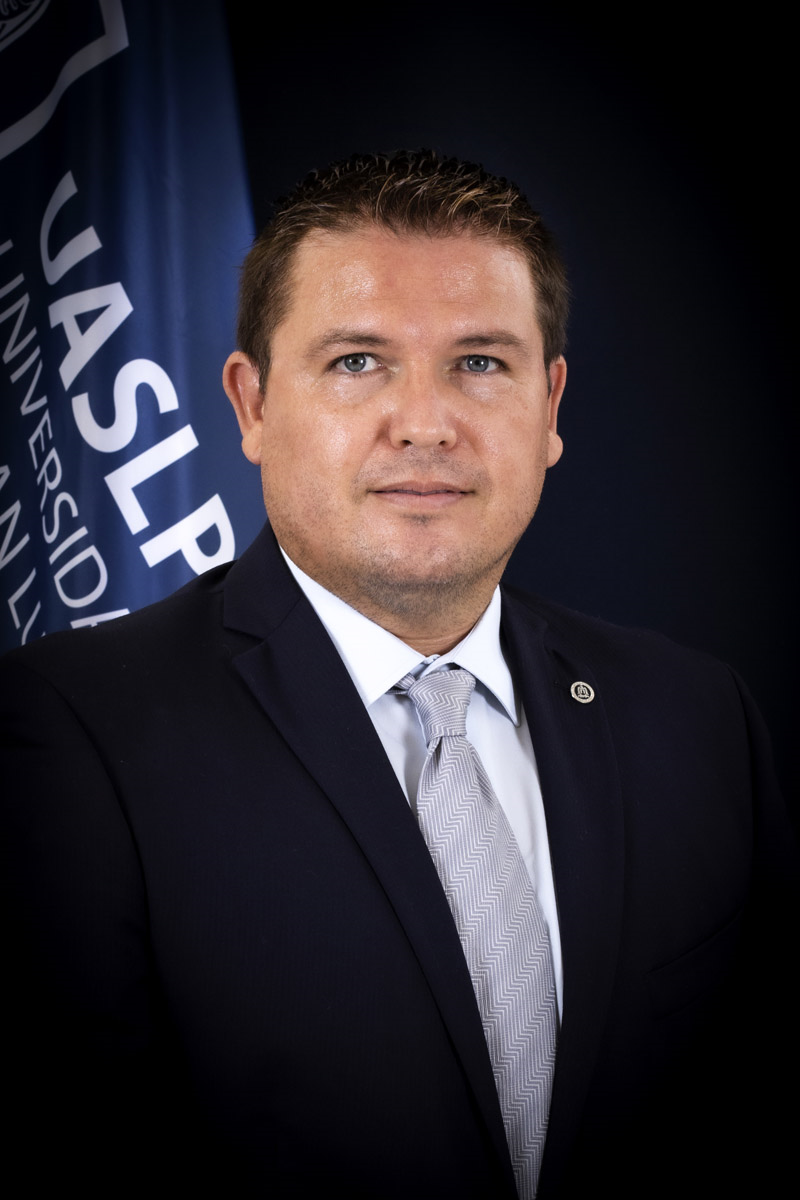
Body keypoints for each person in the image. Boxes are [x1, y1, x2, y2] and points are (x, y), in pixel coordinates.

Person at [2, 151, 796, 1199]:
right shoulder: (70, 736)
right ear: (251, 405)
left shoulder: (696, 719)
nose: (425, 421)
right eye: (357, 361)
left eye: (480, 362)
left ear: (550, 405)